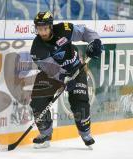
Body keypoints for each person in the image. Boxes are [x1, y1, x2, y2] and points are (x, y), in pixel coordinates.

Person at [30, 11, 103, 148]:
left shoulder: (64, 29)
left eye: (45, 28)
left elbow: (84, 32)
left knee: (80, 102)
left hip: (76, 69)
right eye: (39, 29)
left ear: (51, 26)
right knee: (37, 102)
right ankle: (45, 134)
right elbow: (51, 69)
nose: (43, 32)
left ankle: (85, 133)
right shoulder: (37, 48)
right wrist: (64, 78)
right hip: (53, 74)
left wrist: (95, 41)